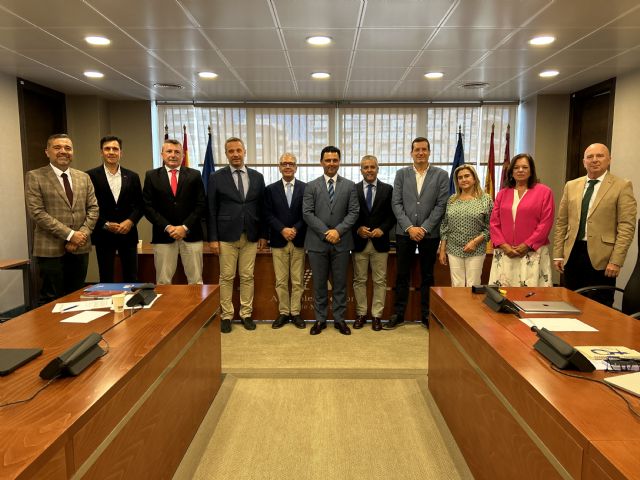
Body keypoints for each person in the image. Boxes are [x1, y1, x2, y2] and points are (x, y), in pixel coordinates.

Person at [553, 143, 636, 306]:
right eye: (590, 157)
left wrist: (616, 260)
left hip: (603, 258)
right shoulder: (571, 185)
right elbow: (562, 222)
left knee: (599, 306)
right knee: (570, 303)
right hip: (573, 253)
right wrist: (558, 253)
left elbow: (626, 226)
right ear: (584, 161)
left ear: (609, 160)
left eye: (600, 156)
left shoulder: (621, 186)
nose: (594, 160)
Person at [25, 134, 99, 303]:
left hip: (80, 246)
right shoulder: (35, 176)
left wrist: (80, 235)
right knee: (52, 298)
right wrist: (70, 234)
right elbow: (37, 212)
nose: (63, 151)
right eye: (57, 147)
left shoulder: (83, 177)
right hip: (50, 248)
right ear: (47, 152)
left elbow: (93, 209)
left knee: (76, 295)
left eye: (68, 148)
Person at [385, 137, 449, 330]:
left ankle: (426, 315)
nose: (420, 153)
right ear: (411, 153)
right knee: (402, 274)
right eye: (417, 150)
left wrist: (424, 228)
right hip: (405, 233)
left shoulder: (441, 175)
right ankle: (398, 314)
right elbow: (396, 203)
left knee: (427, 275)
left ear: (429, 152)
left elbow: (441, 204)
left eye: (424, 149)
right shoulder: (401, 174)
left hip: (429, 234)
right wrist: (409, 227)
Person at [208, 137, 267, 333]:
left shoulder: (257, 177)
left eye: (238, 150)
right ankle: (226, 315)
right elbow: (211, 209)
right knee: (226, 277)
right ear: (226, 154)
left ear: (244, 152)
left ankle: (246, 314)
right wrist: (213, 238)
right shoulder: (216, 177)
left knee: (247, 276)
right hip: (226, 236)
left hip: (250, 235)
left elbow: (262, 208)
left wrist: (263, 235)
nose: (235, 154)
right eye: (231, 151)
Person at [303, 146, 359, 336]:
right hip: (317, 243)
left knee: (340, 284)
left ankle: (339, 319)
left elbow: (353, 212)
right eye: (328, 160)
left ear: (339, 162)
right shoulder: (311, 186)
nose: (331, 164)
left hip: (342, 243)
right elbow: (307, 213)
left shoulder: (350, 186)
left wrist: (338, 231)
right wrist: (327, 232)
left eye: (335, 160)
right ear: (321, 162)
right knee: (318, 284)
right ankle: (320, 320)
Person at [143, 139, 206, 285]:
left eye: (177, 152)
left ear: (182, 155)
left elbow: (201, 204)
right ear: (162, 154)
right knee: (163, 281)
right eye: (169, 151)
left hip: (191, 234)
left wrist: (184, 227)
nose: (173, 155)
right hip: (163, 235)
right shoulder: (151, 176)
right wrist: (168, 227)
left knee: (196, 281)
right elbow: (147, 206)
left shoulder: (195, 175)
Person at [489, 153, 554, 287]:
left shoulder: (544, 192)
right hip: (505, 253)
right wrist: (504, 246)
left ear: (531, 171)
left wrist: (527, 244)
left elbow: (546, 223)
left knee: (532, 296)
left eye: (525, 167)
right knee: (503, 296)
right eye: (516, 167)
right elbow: (494, 223)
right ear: (511, 171)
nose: (520, 170)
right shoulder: (502, 193)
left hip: (532, 252)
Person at [87, 135, 143, 283]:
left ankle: (131, 304)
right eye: (107, 149)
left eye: (115, 149)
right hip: (104, 233)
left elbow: (140, 205)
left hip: (128, 233)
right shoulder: (90, 176)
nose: (111, 152)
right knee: (106, 276)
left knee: (131, 276)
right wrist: (105, 224)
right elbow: (88, 207)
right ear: (101, 152)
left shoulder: (132, 176)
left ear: (121, 153)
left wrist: (130, 221)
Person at [351, 155, 395, 331]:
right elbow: (348, 214)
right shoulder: (352, 190)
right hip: (359, 242)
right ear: (361, 170)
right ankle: (361, 314)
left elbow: (393, 215)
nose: (369, 170)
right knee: (359, 280)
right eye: (365, 167)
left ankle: (377, 316)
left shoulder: (388, 189)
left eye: (372, 167)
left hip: (380, 242)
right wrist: (357, 228)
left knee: (380, 280)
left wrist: (383, 229)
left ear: (378, 168)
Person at [264, 153, 307, 329]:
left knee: (297, 281)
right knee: (281, 280)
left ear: (296, 167)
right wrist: (282, 229)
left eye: (291, 164)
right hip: (278, 239)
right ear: (279, 167)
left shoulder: (306, 188)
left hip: (298, 239)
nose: (288, 166)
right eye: (284, 164)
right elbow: (267, 213)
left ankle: (295, 313)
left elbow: (307, 213)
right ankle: (283, 313)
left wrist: (295, 229)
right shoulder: (270, 189)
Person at [439, 164, 493, 287]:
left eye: (467, 176)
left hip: (476, 249)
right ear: (457, 181)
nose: (463, 179)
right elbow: (444, 226)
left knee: (473, 285)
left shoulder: (485, 199)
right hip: (453, 249)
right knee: (456, 285)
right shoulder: (452, 200)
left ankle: (472, 307)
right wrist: (442, 250)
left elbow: (491, 227)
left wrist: (475, 242)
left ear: (474, 178)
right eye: (460, 177)